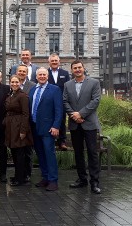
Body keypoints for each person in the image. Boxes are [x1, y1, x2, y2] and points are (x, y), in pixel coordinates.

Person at [63, 60, 102, 194]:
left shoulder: (94, 83)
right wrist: (74, 115)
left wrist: (81, 113)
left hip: (89, 123)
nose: (78, 70)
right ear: (72, 70)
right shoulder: (67, 85)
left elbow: (96, 101)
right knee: (78, 153)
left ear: (84, 68)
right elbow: (65, 101)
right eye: (75, 68)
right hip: (75, 124)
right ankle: (82, 179)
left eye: (80, 67)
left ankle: (94, 182)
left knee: (92, 153)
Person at [29, 67, 63, 191]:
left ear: (47, 76)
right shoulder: (33, 90)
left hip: (48, 128)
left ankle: (53, 180)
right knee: (40, 154)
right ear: (36, 77)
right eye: (40, 75)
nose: (42, 76)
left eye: (44, 74)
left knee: (49, 154)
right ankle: (45, 177)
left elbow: (59, 110)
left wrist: (56, 126)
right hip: (34, 127)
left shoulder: (54, 90)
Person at [4, 75, 33, 186]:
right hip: (11, 126)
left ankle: (20, 178)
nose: (14, 84)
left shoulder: (23, 96)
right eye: (12, 82)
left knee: (20, 153)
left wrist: (23, 130)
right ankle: (17, 175)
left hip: (19, 126)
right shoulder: (11, 94)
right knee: (15, 152)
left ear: (20, 83)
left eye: (17, 82)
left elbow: (26, 114)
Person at [47, 53, 71, 150]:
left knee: (61, 121)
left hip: (61, 102)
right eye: (52, 61)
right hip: (49, 102)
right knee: (50, 121)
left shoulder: (65, 73)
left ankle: (62, 142)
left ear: (59, 61)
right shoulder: (45, 73)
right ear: (49, 62)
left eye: (56, 60)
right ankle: (51, 141)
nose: (54, 62)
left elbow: (68, 88)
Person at [17, 64, 36, 182]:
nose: (22, 73)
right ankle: (19, 172)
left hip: (28, 122)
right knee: (18, 149)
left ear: (27, 73)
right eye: (20, 71)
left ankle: (27, 173)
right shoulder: (13, 85)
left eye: (24, 71)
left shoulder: (32, 86)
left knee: (28, 150)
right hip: (15, 123)